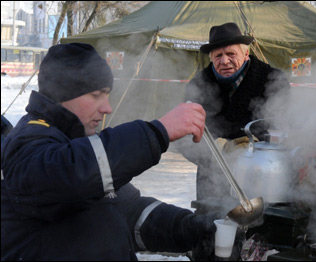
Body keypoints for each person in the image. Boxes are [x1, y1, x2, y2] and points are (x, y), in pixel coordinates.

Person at [1, 43, 218, 261]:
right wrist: (157, 132)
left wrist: (192, 228)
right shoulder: (28, 140)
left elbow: (131, 212)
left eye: (107, 95)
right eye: (96, 95)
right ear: (62, 94)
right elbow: (68, 175)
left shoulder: (78, 142)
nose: (107, 108)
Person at [177, 22, 291, 202]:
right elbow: (184, 138)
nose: (224, 61)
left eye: (231, 54)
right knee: (212, 227)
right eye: (218, 56)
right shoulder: (198, 86)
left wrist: (245, 152)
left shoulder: (272, 80)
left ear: (246, 53)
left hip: (259, 180)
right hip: (212, 181)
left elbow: (282, 129)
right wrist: (220, 150)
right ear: (211, 58)